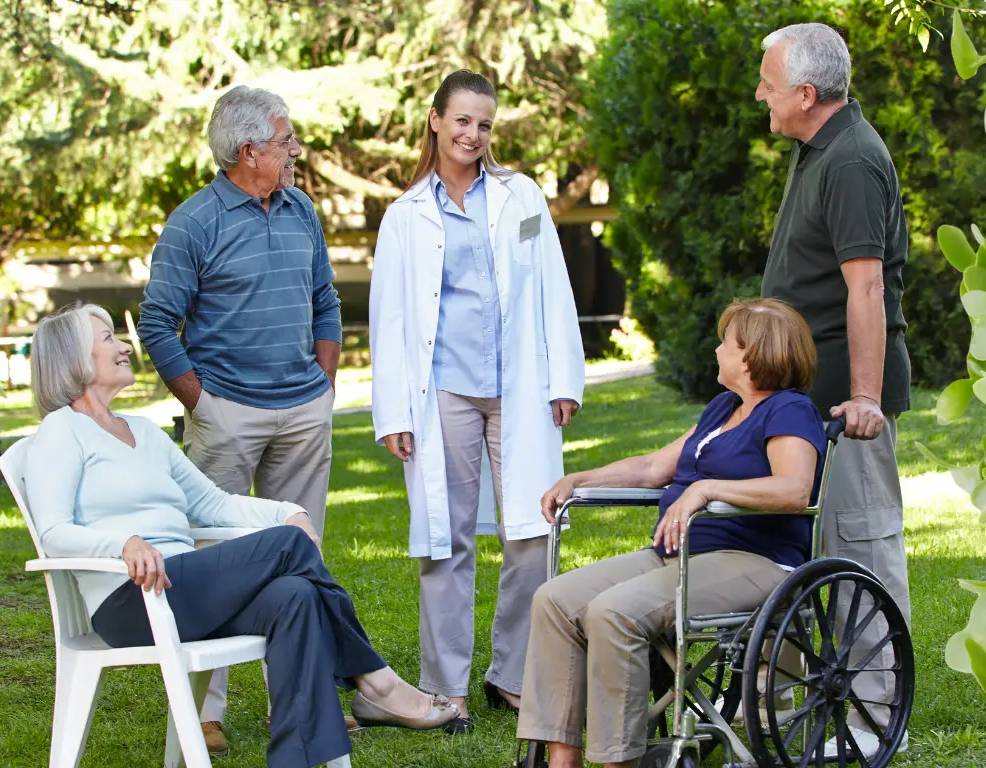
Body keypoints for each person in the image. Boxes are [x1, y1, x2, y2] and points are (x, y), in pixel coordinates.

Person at [24, 304, 458, 768]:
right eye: (108, 338)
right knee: (290, 548)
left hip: (184, 589)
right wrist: (123, 544)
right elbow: (53, 532)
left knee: (296, 596)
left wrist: (288, 511)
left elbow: (212, 504)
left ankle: (299, 759)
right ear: (73, 359)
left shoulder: (145, 433)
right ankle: (375, 681)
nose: (124, 345)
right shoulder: (61, 432)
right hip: (130, 601)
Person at [515, 298, 826, 767]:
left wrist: (705, 489)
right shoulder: (724, 409)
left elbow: (794, 489)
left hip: (756, 563)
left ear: (752, 356)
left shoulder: (789, 411)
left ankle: (620, 760)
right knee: (555, 600)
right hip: (678, 554)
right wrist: (580, 479)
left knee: (614, 612)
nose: (717, 349)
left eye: (726, 342)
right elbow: (653, 468)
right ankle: (562, 760)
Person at [368, 70, 584, 733]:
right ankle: (446, 685)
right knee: (445, 539)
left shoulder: (521, 198)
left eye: (485, 124)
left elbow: (552, 284)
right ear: (435, 121)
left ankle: (511, 673)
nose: (473, 134)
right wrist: (394, 414)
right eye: (462, 120)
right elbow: (391, 321)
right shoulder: (406, 216)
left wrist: (562, 380)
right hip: (444, 395)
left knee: (532, 529)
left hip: (517, 388)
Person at [136, 85, 341, 752]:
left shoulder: (301, 209)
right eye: (286, 143)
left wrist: (323, 383)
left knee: (303, 555)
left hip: (302, 411)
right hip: (227, 414)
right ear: (248, 151)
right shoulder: (193, 222)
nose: (294, 153)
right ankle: (202, 712)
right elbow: (158, 325)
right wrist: (204, 405)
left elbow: (324, 298)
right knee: (214, 561)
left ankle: (304, 699)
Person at [755, 23, 912, 758]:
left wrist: (867, 401)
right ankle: (821, 702)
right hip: (803, 401)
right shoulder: (817, 147)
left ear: (806, 94)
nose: (762, 95)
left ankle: (879, 717)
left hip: (847, 407)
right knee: (811, 553)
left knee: (863, 551)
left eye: (770, 84)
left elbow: (867, 287)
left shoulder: (851, 159)